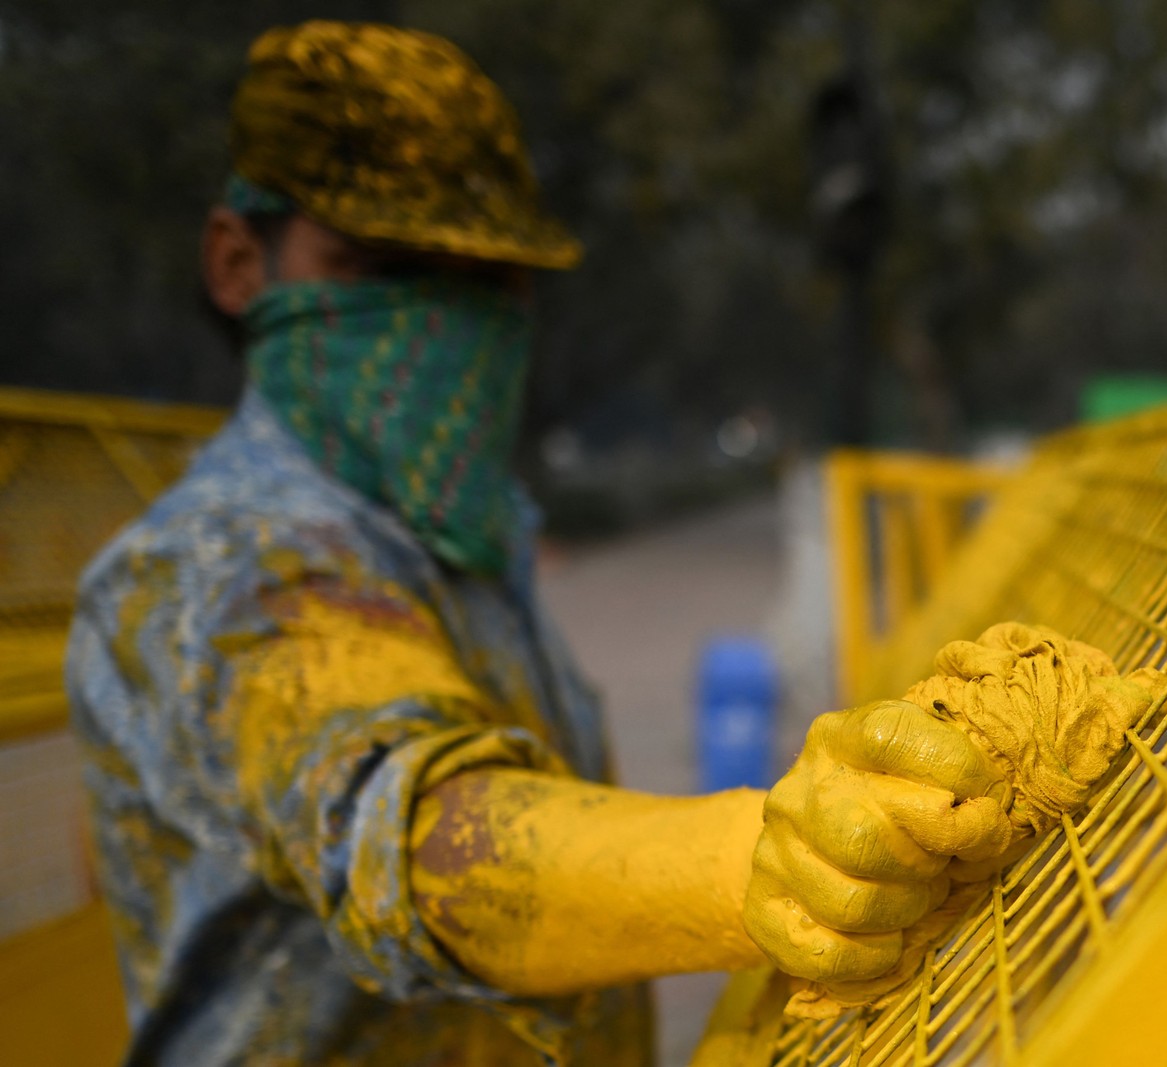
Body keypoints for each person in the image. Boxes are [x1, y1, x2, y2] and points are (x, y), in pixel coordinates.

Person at [66, 21, 1018, 1065]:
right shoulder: (212, 570)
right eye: (386, 265)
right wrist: (757, 858)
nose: (442, 323)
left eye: (487, 278)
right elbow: (420, 836)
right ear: (239, 263)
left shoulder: (462, 544)